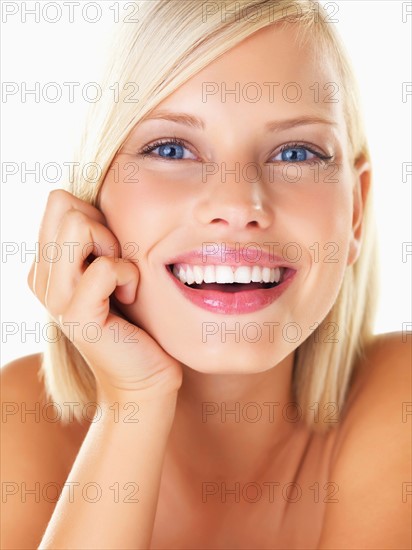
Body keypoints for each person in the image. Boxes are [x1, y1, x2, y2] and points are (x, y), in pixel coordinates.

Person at [1, 1, 410, 548]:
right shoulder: (20, 422)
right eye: (171, 148)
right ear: (93, 197)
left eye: (295, 151)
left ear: (355, 213)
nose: (238, 204)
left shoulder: (400, 397)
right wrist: (134, 401)